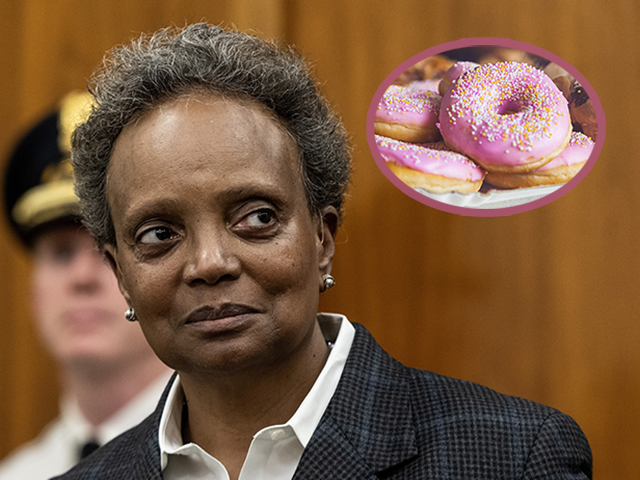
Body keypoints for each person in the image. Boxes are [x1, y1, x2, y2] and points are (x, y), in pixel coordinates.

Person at [54, 24, 592, 479]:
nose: (211, 263)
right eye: (158, 235)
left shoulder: (513, 457)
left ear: (323, 239)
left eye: (257, 218)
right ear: (121, 274)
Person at [0, 92, 171, 480]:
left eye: (105, 251)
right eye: (61, 253)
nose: (82, 277)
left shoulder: (235, 461)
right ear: (34, 292)